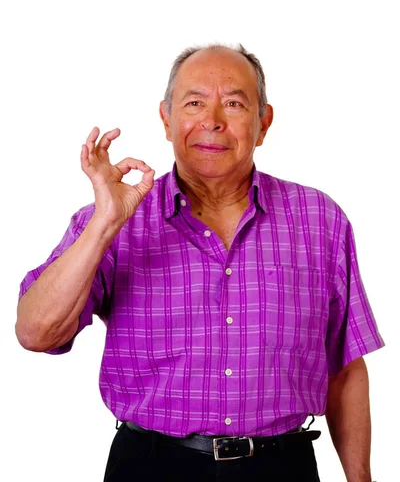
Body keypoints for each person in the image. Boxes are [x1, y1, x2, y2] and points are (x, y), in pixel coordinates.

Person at [16, 43, 384, 482]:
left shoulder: (320, 220)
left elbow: (343, 366)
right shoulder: (115, 220)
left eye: (233, 103)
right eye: (194, 103)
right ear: (166, 118)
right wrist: (104, 225)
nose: (212, 120)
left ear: (263, 123)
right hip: (151, 466)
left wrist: (360, 479)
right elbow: (35, 332)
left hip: (282, 466)